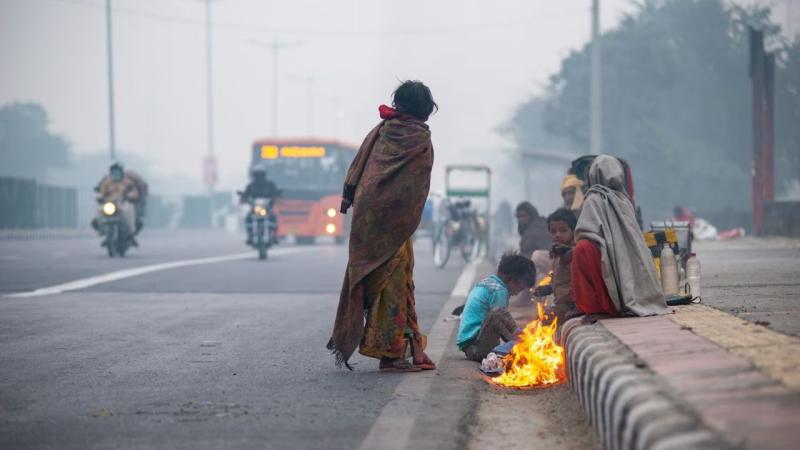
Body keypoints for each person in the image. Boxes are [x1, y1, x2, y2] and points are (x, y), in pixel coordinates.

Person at [327, 80, 438, 372]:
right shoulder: (419, 138)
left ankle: (415, 349)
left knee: (399, 280)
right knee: (394, 283)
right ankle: (391, 356)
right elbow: (415, 188)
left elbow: (363, 173)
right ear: (425, 109)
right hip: (395, 222)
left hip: (368, 219)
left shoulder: (381, 132)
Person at [571, 155, 668, 317]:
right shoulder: (625, 200)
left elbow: (585, 233)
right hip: (625, 269)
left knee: (582, 249)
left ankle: (595, 307)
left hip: (604, 265)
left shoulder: (593, 198)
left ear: (593, 174)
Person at [456, 253, 536, 362]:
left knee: (502, 318)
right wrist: (519, 337)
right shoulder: (499, 290)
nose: (518, 293)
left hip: (470, 346)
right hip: (477, 348)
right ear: (509, 278)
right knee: (498, 314)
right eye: (520, 288)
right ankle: (520, 347)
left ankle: (519, 345)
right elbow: (501, 318)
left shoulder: (489, 282)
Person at [535, 208, 581, 323]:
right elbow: (560, 279)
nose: (557, 235)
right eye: (553, 231)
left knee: (544, 321)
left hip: (572, 305)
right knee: (540, 319)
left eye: (563, 230)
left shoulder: (576, 253)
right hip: (561, 302)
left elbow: (581, 283)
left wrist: (578, 307)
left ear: (574, 231)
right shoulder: (557, 252)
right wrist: (548, 288)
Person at [94, 163, 140, 241]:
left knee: (129, 209)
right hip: (110, 204)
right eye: (114, 172)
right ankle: (101, 230)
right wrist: (99, 197)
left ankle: (131, 232)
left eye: (117, 172)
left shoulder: (127, 182)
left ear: (121, 172)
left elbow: (133, 191)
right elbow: (101, 192)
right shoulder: (107, 182)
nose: (116, 174)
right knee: (98, 211)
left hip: (122, 202)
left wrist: (131, 196)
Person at [239, 166, 281, 245]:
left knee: (273, 218)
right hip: (255, 208)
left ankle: (274, 236)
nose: (259, 176)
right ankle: (250, 236)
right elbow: (246, 194)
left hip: (267, 208)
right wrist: (244, 198)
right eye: (257, 174)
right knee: (248, 218)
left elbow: (275, 193)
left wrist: (276, 197)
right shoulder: (251, 185)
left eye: (261, 174)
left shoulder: (270, 184)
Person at [515, 201, 551, 284]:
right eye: (518, 216)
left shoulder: (539, 228)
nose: (520, 219)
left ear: (531, 215)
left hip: (544, 267)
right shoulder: (527, 228)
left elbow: (543, 251)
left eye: (523, 216)